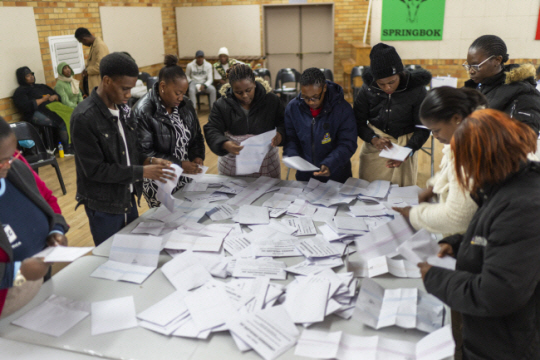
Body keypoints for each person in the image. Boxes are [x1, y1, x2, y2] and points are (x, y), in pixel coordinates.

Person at [420, 109, 540, 360]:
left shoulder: (523, 204)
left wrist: (435, 278)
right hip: (493, 334)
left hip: (507, 344)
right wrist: (459, 243)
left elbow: (497, 293)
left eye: (465, 162)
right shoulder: (504, 183)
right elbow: (498, 237)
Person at [71, 52, 175, 246]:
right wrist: (142, 172)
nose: (129, 94)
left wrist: (149, 161)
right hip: (104, 205)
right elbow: (95, 170)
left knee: (132, 252)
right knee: (110, 257)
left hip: (127, 197)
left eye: (131, 89)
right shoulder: (84, 117)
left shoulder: (124, 109)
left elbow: (131, 150)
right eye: (124, 89)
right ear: (107, 81)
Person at [392, 87, 487, 236]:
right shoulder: (466, 133)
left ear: (456, 119)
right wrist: (433, 188)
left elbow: (457, 217)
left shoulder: (472, 150)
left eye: (436, 130)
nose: (434, 136)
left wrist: (414, 214)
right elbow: (449, 170)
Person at [0, 116, 68, 317]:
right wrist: (18, 272)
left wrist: (57, 229)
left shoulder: (15, 166)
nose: (8, 165)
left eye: (12, 155)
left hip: (39, 286)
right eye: (1, 161)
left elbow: (47, 199)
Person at [133, 55, 205, 208]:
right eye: (177, 93)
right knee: (167, 222)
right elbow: (144, 154)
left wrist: (197, 156)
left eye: (184, 93)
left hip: (186, 174)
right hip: (160, 180)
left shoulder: (186, 104)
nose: (181, 98)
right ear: (163, 86)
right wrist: (179, 164)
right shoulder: (144, 111)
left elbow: (196, 135)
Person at [354, 43, 431, 186]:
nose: (387, 87)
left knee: (400, 197)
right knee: (369, 193)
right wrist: (373, 139)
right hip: (375, 146)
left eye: (392, 82)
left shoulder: (417, 90)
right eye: (381, 84)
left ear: (400, 73)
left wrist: (409, 149)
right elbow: (357, 121)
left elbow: (423, 127)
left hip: (405, 146)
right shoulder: (367, 88)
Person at [204, 63, 284, 178]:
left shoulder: (271, 101)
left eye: (248, 90)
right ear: (231, 88)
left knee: (267, 193)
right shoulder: (222, 104)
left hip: (266, 163)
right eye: (239, 92)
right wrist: (224, 143)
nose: (245, 96)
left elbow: (284, 122)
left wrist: (280, 135)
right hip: (233, 164)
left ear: (255, 84)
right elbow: (212, 128)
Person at [284, 68, 358, 183]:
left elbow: (348, 143)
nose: (310, 102)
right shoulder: (293, 108)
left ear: (324, 88)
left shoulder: (342, 109)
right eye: (305, 97)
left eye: (315, 97)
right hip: (305, 177)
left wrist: (330, 164)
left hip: (337, 175)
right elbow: (290, 138)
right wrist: (293, 156)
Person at [463, 35, 540, 134]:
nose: (471, 71)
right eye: (468, 66)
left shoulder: (524, 93)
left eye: (476, 66)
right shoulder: (474, 90)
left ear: (497, 60)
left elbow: (524, 138)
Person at [13, 66, 73, 153]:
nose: (31, 77)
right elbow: (25, 106)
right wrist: (43, 100)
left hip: (53, 108)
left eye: (32, 74)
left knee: (73, 115)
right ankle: (66, 148)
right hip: (35, 113)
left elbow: (57, 95)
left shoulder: (41, 86)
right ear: (22, 78)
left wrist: (54, 96)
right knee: (60, 121)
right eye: (28, 76)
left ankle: (75, 144)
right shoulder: (21, 91)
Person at [75, 27, 110, 96]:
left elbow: (101, 66)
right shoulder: (94, 45)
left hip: (100, 86)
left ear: (84, 39)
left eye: (82, 42)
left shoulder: (99, 46)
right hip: (97, 86)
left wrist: (87, 71)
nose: (83, 44)